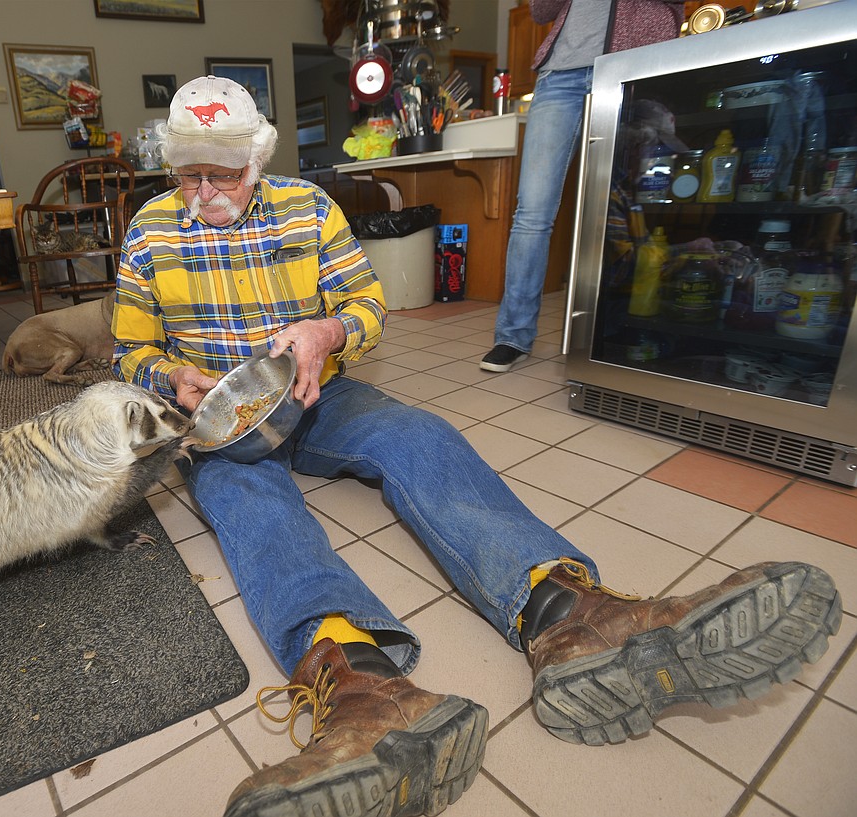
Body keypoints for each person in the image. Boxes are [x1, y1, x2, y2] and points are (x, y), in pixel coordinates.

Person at [112, 76, 841, 817]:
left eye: (224, 172)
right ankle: (365, 689)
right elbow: (126, 348)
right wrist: (170, 374)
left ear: (258, 156)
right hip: (220, 421)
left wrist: (327, 332)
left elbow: (366, 303)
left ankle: (569, 617)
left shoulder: (310, 206)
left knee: (415, 434)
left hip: (314, 391)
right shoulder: (150, 229)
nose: (206, 190)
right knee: (245, 497)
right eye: (190, 173)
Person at [481, 0, 688, 373]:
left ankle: (619, 331)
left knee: (622, 202)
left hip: (633, 65)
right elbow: (540, 12)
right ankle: (512, 336)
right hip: (559, 74)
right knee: (532, 210)